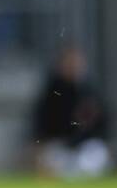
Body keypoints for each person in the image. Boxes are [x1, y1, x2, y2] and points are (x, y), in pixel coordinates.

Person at [31, 45, 111, 178]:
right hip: (61, 147)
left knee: (94, 155)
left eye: (76, 62)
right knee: (53, 159)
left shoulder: (89, 91)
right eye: (69, 62)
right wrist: (38, 147)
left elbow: (102, 122)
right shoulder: (53, 92)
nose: (73, 66)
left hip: (85, 148)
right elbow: (41, 122)